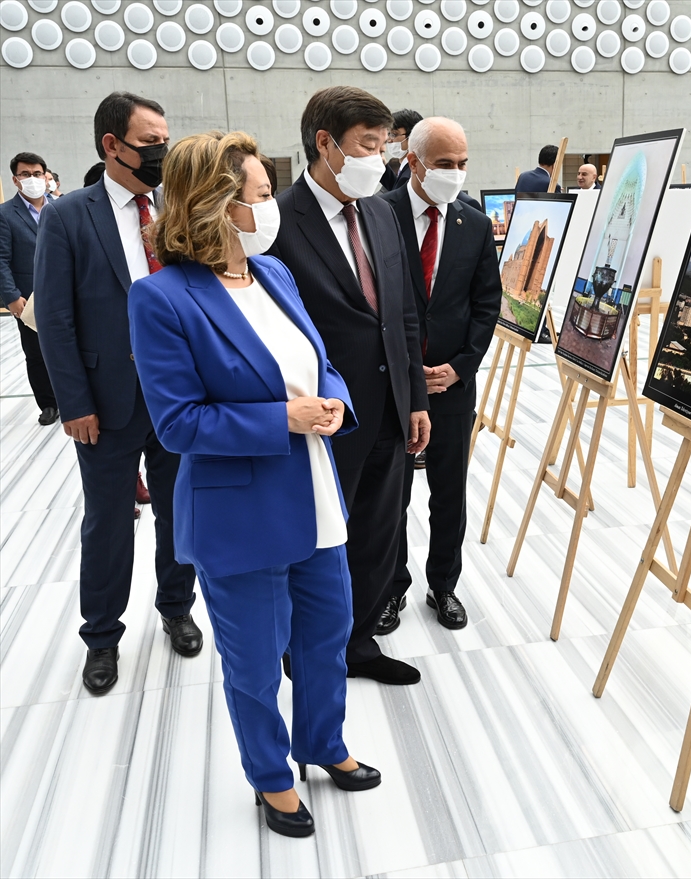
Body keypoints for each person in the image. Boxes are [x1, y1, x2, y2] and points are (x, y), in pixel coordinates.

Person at [128, 130, 381, 838]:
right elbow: (179, 423)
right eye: (262, 195)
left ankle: (324, 744)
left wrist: (333, 400)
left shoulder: (274, 275)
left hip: (314, 493)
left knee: (328, 635)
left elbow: (317, 360)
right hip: (240, 512)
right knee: (254, 659)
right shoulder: (161, 299)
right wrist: (284, 418)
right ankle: (271, 775)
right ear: (213, 203)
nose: (272, 206)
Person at [35, 91, 201, 695]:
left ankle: (176, 607)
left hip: (179, 395)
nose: (162, 151)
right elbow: (54, 319)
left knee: (181, 509)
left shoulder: (177, 209)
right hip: (106, 401)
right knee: (108, 521)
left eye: (164, 139)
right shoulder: (67, 216)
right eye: (150, 143)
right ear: (112, 145)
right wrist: (74, 402)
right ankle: (101, 636)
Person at [267, 85, 430, 685]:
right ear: (326, 144)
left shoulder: (383, 212)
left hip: (388, 409)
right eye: (368, 145)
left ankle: (357, 645)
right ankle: (304, 652)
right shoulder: (278, 220)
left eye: (385, 145)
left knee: (376, 537)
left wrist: (414, 398)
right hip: (319, 416)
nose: (381, 159)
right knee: (313, 542)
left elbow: (404, 313)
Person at [379, 117, 502, 632]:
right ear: (414, 162)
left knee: (449, 491)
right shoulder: (377, 216)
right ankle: (390, 588)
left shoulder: (471, 222)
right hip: (392, 385)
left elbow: (486, 303)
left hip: (451, 384)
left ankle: (443, 585)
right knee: (391, 494)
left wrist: (460, 367)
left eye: (462, 164)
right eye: (444, 164)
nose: (455, 173)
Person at [1, 151, 58, 425]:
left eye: (37, 174)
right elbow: (1, 259)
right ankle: (48, 404)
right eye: (25, 174)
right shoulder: (4, 214)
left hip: (66, 290)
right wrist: (11, 297)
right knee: (36, 353)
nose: (32, 179)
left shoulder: (62, 206)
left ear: (46, 176)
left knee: (74, 347)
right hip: (28, 296)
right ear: (15, 180)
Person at [381, 108, 421, 192]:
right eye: (389, 134)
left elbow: (399, 199)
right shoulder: (405, 168)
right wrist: (383, 166)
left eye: (394, 134)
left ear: (411, 136)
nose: (389, 139)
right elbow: (397, 190)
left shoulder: (413, 173)